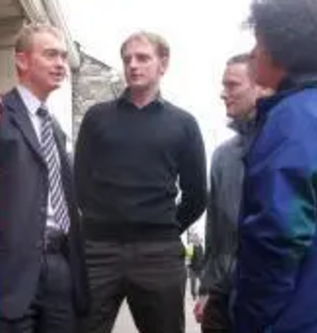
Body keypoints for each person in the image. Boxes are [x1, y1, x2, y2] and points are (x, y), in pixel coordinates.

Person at [74, 31, 207, 333]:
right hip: (98, 250)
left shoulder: (184, 124)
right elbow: (80, 182)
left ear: (163, 64)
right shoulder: (97, 118)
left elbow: (197, 194)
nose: (133, 65)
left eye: (143, 57)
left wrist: (163, 225)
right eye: (127, 59)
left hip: (158, 253)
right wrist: (104, 221)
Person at [0, 23, 89, 333]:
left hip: (59, 267)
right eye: (50, 55)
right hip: (11, 270)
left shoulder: (54, 129)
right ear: (22, 60)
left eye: (63, 57)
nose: (60, 64)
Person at [233, 0, 317, 332]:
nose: (253, 53)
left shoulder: (293, 120)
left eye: (259, 42)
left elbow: (278, 233)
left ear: (280, 48)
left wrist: (250, 317)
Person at [193, 53, 265, 333]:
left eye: (232, 85)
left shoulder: (285, 142)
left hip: (266, 293)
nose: (224, 94)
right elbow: (214, 228)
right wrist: (206, 288)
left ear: (259, 85)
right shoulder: (223, 156)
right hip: (222, 297)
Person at [188, 235, 204, 300]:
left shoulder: (201, 247)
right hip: (192, 269)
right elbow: (188, 258)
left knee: (203, 282)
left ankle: (201, 293)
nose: (196, 240)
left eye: (197, 238)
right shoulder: (191, 247)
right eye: (195, 239)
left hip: (200, 268)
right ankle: (193, 294)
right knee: (193, 283)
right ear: (193, 240)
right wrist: (189, 266)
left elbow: (202, 257)